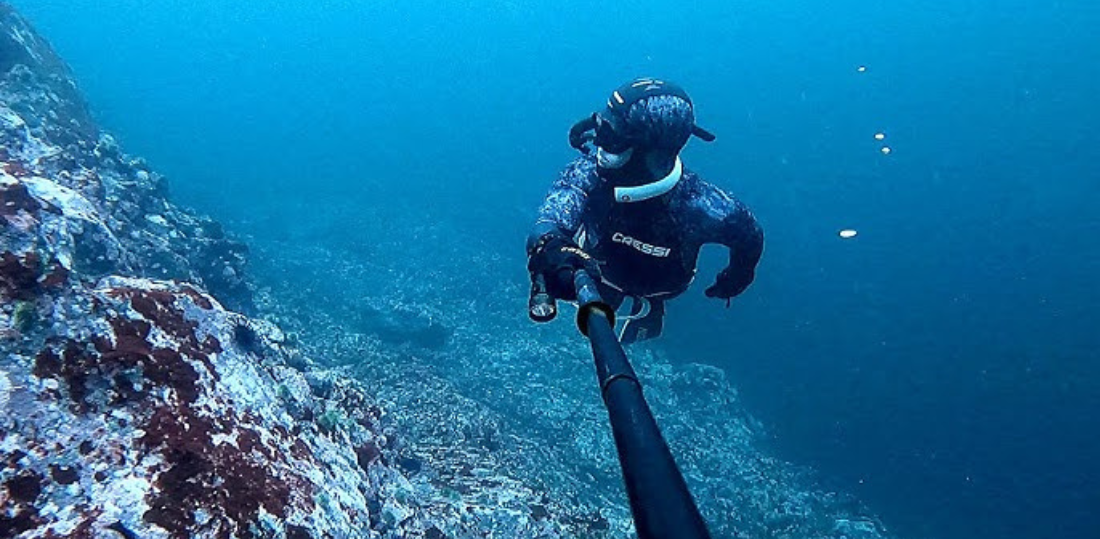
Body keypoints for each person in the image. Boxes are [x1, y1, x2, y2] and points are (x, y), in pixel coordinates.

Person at [526, 78, 764, 344]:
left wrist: (737, 277)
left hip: (660, 287)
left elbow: (749, 238)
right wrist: (548, 242)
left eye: (611, 136)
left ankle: (650, 309)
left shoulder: (700, 206)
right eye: (600, 125)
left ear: (651, 151)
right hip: (599, 268)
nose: (599, 146)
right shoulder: (589, 173)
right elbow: (557, 208)